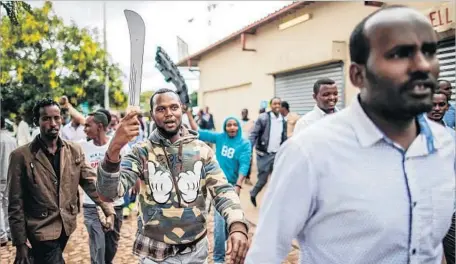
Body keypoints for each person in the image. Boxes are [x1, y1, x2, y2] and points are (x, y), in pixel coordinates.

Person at [246, 6, 455, 264]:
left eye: (429, 52)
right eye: (400, 54)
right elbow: (264, 256)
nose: (423, 66)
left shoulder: (445, 146)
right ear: (358, 75)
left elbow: (431, 248)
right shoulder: (310, 152)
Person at [96, 88, 249, 264]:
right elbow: (108, 194)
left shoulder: (202, 150)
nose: (169, 113)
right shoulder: (141, 152)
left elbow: (222, 190)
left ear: (182, 110)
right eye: (161, 109)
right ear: (152, 115)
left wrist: (237, 225)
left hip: (196, 252)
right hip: (156, 254)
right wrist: (114, 147)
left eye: (174, 107)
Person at [8, 98, 115, 264]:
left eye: (57, 118)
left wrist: (108, 209)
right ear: (37, 121)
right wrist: (20, 243)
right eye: (46, 118)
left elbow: (90, 182)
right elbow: (15, 202)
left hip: (66, 225)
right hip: (39, 228)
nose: (53, 123)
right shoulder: (20, 156)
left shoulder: (74, 150)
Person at [185, 108, 252, 264]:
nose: (232, 127)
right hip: (217, 185)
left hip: (233, 186)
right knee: (220, 222)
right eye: (229, 125)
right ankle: (218, 259)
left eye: (235, 125)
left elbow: (244, 165)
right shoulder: (220, 138)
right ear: (225, 127)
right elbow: (198, 131)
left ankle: (229, 251)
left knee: (229, 220)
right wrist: (188, 114)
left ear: (239, 127)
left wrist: (238, 185)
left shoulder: (244, 144)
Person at [80, 110, 130, 264]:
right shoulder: (82, 147)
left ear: (100, 126)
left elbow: (128, 169)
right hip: (91, 204)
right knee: (98, 248)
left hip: (115, 205)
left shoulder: (117, 145)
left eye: (88, 126)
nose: (85, 129)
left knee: (110, 247)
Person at [426, 90, 456, 264]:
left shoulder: (453, 136)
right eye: (432, 104)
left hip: (449, 207)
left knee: (451, 252)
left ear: (447, 106)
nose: (436, 108)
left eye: (441, 104)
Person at [248, 97, 287, 207]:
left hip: (277, 154)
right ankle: (253, 193)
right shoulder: (263, 118)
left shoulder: (283, 120)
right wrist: (249, 149)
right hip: (263, 155)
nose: (277, 106)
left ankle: (274, 204)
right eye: (275, 104)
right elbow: (254, 134)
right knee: (262, 180)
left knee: (278, 179)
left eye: (279, 104)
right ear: (271, 105)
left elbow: (283, 137)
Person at [1, 116, 17, 247]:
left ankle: (2, 235)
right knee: (8, 202)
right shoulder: (11, 139)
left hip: (1, 174)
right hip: (11, 174)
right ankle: (10, 231)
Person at [240, 109, 254, 185]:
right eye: (242, 113)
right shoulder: (238, 122)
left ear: (247, 113)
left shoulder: (251, 122)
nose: (243, 114)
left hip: (248, 144)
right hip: (240, 144)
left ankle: (247, 178)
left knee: (249, 161)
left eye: (245, 113)